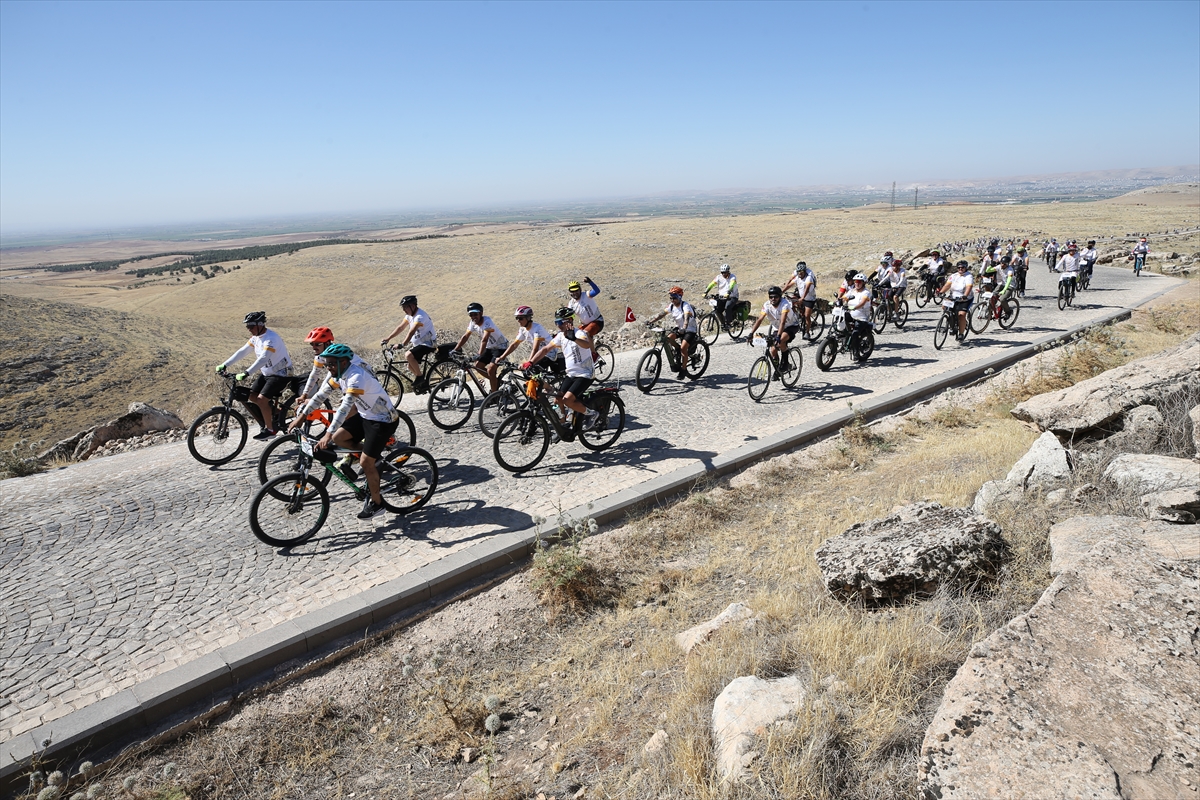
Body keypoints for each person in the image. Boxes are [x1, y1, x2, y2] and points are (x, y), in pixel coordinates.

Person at [289, 343, 400, 520]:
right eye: (326, 364)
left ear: (343, 362)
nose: (328, 368)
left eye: (331, 364)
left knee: (365, 462)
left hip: (383, 420)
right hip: (366, 416)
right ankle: (374, 457)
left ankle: (377, 504)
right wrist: (301, 417)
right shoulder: (339, 374)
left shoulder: (356, 377)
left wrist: (327, 434)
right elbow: (321, 395)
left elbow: (345, 408)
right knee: (339, 438)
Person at [216, 311, 294, 439]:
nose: (249, 329)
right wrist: (225, 364)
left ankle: (270, 431)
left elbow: (263, 358)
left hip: (281, 374)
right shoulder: (256, 338)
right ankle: (275, 413)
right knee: (251, 395)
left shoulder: (271, 339)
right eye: (247, 326)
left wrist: (247, 372)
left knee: (262, 399)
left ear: (260, 325)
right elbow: (242, 351)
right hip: (267, 373)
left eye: (251, 326)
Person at [523, 307, 598, 430]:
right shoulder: (560, 336)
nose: (558, 325)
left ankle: (591, 414)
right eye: (556, 322)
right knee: (557, 400)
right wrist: (531, 362)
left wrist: (574, 338)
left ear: (570, 320)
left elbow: (586, 345)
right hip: (571, 374)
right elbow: (545, 349)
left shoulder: (579, 333)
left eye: (560, 322)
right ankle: (562, 423)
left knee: (567, 400)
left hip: (585, 374)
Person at [297, 326, 369, 406]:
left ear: (327, 344)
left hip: (363, 378)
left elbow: (328, 380)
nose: (314, 347)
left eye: (317, 344)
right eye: (312, 344)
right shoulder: (320, 356)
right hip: (347, 380)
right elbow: (314, 375)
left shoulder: (336, 356)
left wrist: (315, 400)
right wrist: (304, 394)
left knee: (351, 407)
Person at [380, 295, 437, 393]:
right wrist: (388, 338)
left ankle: (420, 378)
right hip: (420, 344)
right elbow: (400, 328)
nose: (404, 310)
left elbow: (411, 332)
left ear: (413, 306)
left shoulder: (420, 316)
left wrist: (402, 345)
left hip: (428, 344)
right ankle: (423, 383)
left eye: (405, 307)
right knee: (410, 366)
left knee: (408, 355)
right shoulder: (409, 316)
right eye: (403, 307)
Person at [453, 303, 510, 393]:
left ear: (481, 313)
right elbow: (465, 337)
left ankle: (494, 394)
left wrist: (479, 354)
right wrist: (455, 349)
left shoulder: (487, 321)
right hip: (489, 347)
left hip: (500, 347)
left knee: (491, 369)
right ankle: (497, 382)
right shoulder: (472, 323)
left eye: (475, 314)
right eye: (471, 315)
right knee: (478, 366)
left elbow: (485, 339)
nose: (473, 317)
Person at [746, 286, 799, 378]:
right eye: (771, 297)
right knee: (773, 349)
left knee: (781, 341)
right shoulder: (767, 305)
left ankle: (786, 363)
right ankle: (777, 369)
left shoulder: (784, 304)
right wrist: (751, 334)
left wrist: (778, 336)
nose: (773, 299)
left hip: (791, 326)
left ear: (780, 297)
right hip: (777, 328)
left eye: (776, 297)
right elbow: (759, 320)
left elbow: (783, 322)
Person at [647, 286, 698, 379]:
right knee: (668, 338)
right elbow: (661, 315)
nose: (672, 300)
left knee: (683, 348)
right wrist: (651, 322)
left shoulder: (685, 306)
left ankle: (683, 369)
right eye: (671, 298)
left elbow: (686, 318)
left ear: (680, 297)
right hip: (679, 328)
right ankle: (677, 350)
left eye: (674, 298)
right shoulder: (671, 306)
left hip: (690, 329)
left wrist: (684, 328)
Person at [498, 306, 562, 375]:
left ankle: (544, 383)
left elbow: (535, 349)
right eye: (517, 318)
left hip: (549, 354)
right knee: (527, 373)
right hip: (539, 354)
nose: (518, 320)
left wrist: (529, 362)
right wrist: (502, 357)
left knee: (530, 372)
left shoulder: (537, 328)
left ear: (528, 318)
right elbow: (514, 344)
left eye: (521, 318)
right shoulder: (522, 329)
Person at [567, 278, 603, 361]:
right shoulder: (571, 303)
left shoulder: (586, 295)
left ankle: (594, 355)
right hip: (585, 325)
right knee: (576, 336)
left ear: (580, 289)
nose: (575, 293)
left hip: (597, 321)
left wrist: (590, 282)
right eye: (572, 291)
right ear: (570, 292)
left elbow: (597, 291)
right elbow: (570, 317)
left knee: (585, 333)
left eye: (576, 290)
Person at [939, 261, 974, 341]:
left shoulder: (968, 276)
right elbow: (947, 285)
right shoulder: (954, 275)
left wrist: (965, 296)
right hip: (953, 297)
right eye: (959, 267)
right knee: (945, 307)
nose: (960, 269)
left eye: (962, 267)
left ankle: (961, 334)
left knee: (961, 315)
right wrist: (941, 292)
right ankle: (952, 324)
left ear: (966, 268)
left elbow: (969, 287)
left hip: (965, 298)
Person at [782, 261, 818, 334]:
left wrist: (802, 298)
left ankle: (807, 332)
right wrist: (781, 292)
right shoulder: (797, 276)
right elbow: (790, 284)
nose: (800, 274)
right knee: (792, 300)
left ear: (805, 271)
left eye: (801, 272)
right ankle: (798, 316)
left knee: (807, 316)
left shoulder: (809, 278)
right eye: (798, 272)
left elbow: (807, 289)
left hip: (809, 298)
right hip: (801, 294)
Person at [704, 264, 739, 329]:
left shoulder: (732, 277)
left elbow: (732, 284)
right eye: (722, 272)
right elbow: (712, 284)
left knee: (727, 307)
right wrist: (706, 292)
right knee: (717, 310)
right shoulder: (719, 277)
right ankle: (723, 324)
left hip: (732, 296)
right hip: (722, 297)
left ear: (728, 271)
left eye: (725, 272)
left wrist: (728, 292)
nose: (723, 274)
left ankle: (729, 323)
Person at [844, 273, 873, 349]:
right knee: (839, 320)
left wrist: (854, 307)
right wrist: (838, 301)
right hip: (851, 315)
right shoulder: (851, 291)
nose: (857, 283)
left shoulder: (866, 293)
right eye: (855, 281)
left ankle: (856, 352)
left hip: (862, 318)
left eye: (859, 281)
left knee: (855, 334)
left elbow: (862, 303)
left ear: (864, 283)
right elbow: (845, 298)